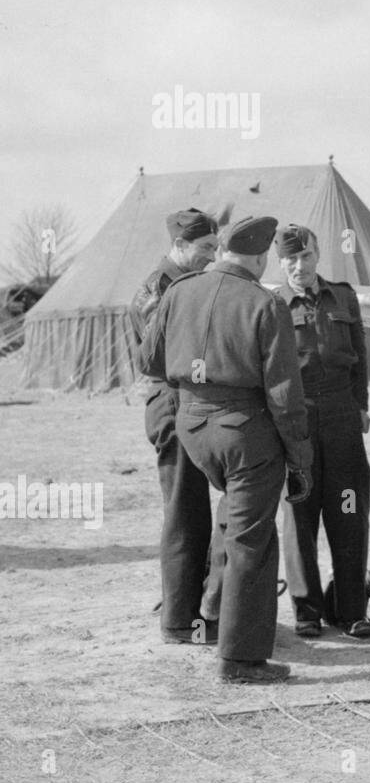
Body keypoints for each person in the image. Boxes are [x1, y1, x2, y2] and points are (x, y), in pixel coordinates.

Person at [141, 216, 312, 684]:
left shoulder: (179, 291)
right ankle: (241, 659)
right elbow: (283, 393)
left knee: (192, 517)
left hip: (192, 427)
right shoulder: (265, 302)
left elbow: (149, 360)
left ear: (223, 252)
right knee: (250, 542)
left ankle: (183, 621)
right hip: (244, 433)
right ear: (259, 258)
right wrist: (299, 458)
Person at [128, 207, 222, 644]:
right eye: (205, 248)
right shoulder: (156, 292)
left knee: (195, 511)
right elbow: (167, 356)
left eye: (215, 247)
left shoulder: (185, 284)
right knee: (185, 511)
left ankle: (187, 605)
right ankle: (180, 621)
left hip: (191, 402)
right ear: (180, 246)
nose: (213, 254)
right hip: (172, 403)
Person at [275, 224, 370, 639]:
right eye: (291, 259)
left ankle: (351, 610)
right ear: (280, 262)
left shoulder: (344, 296)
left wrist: (361, 405)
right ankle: (307, 611)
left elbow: (360, 358)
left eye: (307, 256)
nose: (300, 266)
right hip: (298, 420)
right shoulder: (271, 304)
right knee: (300, 514)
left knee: (349, 510)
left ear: (318, 256)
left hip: (341, 417)